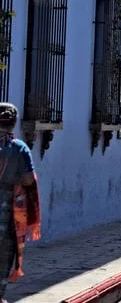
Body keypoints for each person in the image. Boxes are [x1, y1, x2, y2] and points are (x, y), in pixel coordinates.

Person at [0, 103, 39, 301]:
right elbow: (28, 179)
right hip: (7, 210)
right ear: (13, 123)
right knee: (4, 254)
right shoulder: (19, 148)